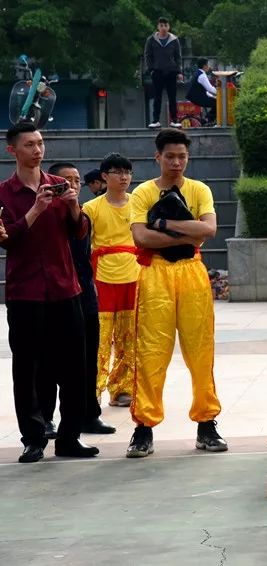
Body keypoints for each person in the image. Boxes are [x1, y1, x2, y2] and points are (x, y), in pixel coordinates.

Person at [0, 122, 100, 463]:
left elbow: (78, 232)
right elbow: (6, 239)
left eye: (40, 143)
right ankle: (34, 437)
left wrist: (74, 206)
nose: (37, 150)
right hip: (25, 291)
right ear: (12, 150)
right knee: (27, 368)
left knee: (74, 366)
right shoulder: (4, 193)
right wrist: (35, 210)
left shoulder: (59, 185)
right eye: (29, 144)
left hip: (64, 288)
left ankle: (70, 437)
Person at [125, 128, 226, 458]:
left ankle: (207, 423)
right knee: (151, 351)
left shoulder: (199, 190)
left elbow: (208, 230)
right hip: (155, 273)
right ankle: (144, 427)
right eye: (170, 156)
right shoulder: (142, 193)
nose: (176, 162)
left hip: (192, 273)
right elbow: (141, 238)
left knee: (201, 348)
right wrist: (187, 234)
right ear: (158, 157)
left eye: (182, 156)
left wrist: (165, 225)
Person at [38, 162, 116, 439]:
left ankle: (88, 415)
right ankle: (45, 417)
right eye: (66, 180)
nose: (72, 185)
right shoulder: (44, 216)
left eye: (77, 180)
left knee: (87, 359)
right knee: (47, 361)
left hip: (83, 294)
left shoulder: (81, 216)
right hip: (52, 296)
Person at [83, 153, 140, 408]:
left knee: (130, 334)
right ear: (104, 176)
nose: (124, 177)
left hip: (135, 273)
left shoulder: (139, 204)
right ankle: (94, 388)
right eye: (117, 172)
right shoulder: (91, 208)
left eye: (127, 172)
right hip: (102, 276)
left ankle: (122, 388)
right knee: (101, 336)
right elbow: (83, 245)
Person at [144, 16, 183, 129]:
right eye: (161, 25)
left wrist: (179, 71)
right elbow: (147, 55)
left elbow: (178, 57)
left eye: (166, 25)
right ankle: (156, 120)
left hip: (171, 71)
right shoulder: (151, 40)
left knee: (172, 96)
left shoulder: (174, 40)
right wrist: (151, 69)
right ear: (158, 27)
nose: (163, 28)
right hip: (157, 71)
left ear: (169, 27)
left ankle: (174, 120)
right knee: (157, 97)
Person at [186, 57, 217, 124]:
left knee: (215, 100)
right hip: (198, 98)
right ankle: (207, 119)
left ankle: (208, 119)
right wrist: (220, 93)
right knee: (217, 103)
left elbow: (205, 91)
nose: (209, 66)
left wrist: (213, 96)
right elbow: (210, 89)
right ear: (205, 66)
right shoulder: (202, 75)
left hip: (196, 97)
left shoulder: (198, 73)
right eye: (208, 65)